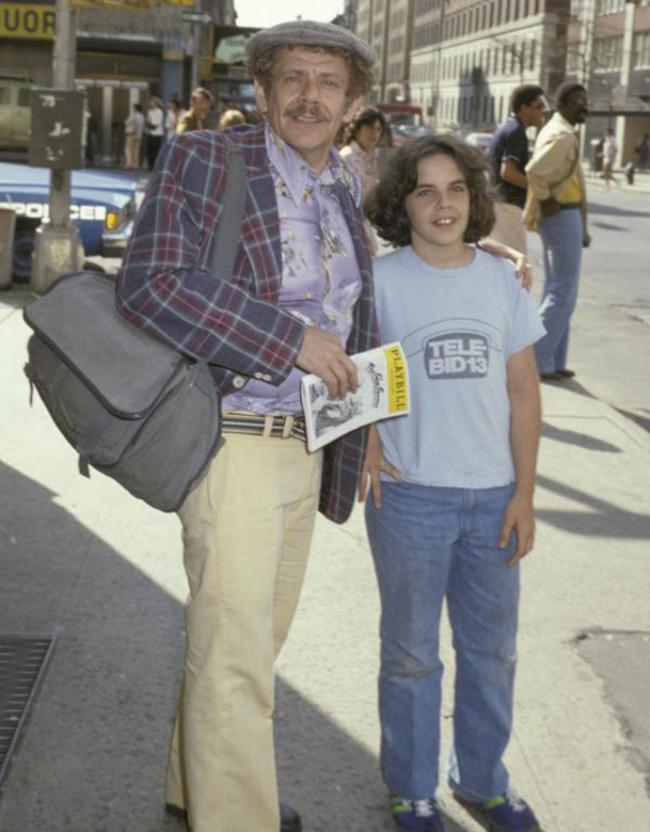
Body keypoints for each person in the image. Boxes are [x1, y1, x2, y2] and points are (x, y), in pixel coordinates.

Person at [116, 20, 378, 832]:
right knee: (236, 662)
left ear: (352, 104)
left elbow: (353, 316)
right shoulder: (208, 157)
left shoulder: (342, 186)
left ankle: (195, 786)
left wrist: (364, 430)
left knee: (246, 647)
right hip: (231, 442)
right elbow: (150, 282)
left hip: (307, 445)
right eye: (292, 78)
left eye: (328, 83)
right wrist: (285, 338)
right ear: (261, 91)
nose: (309, 96)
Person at [362, 133, 545, 832]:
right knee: (411, 655)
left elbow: (524, 391)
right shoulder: (381, 281)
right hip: (411, 499)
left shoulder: (500, 280)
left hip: (494, 496)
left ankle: (482, 780)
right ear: (402, 203)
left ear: (474, 197)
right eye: (425, 191)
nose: (443, 205)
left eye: (457, 189)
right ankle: (411, 788)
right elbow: (356, 369)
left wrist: (524, 494)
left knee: (492, 652)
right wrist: (367, 441)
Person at [524, 81, 591, 382]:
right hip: (561, 214)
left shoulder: (559, 129)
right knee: (563, 291)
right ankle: (535, 360)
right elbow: (534, 171)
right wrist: (546, 199)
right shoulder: (562, 136)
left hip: (567, 215)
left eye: (586, 101)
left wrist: (583, 226)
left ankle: (551, 360)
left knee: (560, 290)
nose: (584, 106)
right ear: (563, 104)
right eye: (578, 101)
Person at [489, 84, 546, 252]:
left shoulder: (508, 127)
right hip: (508, 206)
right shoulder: (516, 132)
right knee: (515, 261)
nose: (542, 112)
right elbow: (508, 172)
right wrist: (536, 188)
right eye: (538, 106)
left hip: (499, 204)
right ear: (524, 107)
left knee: (502, 259)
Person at [340, 107, 385, 254]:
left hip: (364, 224)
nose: (374, 134)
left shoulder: (373, 158)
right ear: (357, 129)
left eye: (378, 129)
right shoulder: (346, 158)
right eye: (369, 128)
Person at [144, 96, 164, 169]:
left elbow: (156, 124)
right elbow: (147, 122)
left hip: (157, 134)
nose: (150, 103)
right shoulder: (150, 112)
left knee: (155, 150)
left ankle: (154, 166)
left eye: (152, 102)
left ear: (156, 103)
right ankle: (150, 165)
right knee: (149, 150)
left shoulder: (159, 112)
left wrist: (149, 124)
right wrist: (148, 124)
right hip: (150, 133)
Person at [123, 102, 145, 170]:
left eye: (133, 108)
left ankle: (129, 163)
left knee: (128, 149)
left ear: (135, 108)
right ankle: (135, 165)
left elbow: (126, 122)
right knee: (136, 150)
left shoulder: (133, 115)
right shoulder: (142, 116)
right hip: (139, 135)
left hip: (131, 134)